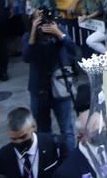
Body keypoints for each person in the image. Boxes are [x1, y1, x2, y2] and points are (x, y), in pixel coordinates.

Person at [24, 9, 80, 151]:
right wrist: (33, 33)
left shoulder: (58, 32)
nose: (43, 22)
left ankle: (70, 160)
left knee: (67, 129)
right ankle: (48, 157)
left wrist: (58, 33)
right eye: (38, 19)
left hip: (60, 87)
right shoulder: (29, 36)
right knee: (43, 131)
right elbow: (26, 57)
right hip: (39, 89)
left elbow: (74, 50)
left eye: (44, 18)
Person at [0, 107, 67, 178]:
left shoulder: (55, 145)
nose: (19, 142)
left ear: (34, 126)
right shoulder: (1, 158)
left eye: (23, 137)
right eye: (14, 139)